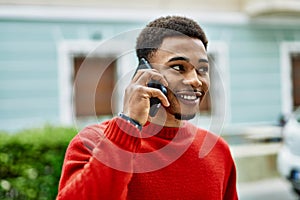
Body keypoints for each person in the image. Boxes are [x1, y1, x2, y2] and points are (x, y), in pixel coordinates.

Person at [57, 16, 238, 200]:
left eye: (202, 69)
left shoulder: (218, 150)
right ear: (146, 73)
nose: (195, 80)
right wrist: (127, 126)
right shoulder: (92, 142)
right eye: (178, 67)